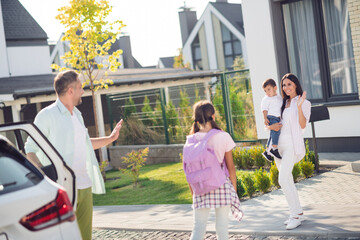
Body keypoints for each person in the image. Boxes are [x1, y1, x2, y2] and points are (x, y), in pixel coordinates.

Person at [24, 70, 123, 240]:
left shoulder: (77, 115)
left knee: (84, 237)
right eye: (80, 87)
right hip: (63, 187)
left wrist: (110, 138)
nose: (83, 90)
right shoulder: (47, 115)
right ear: (71, 90)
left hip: (84, 185)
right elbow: (30, 148)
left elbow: (85, 143)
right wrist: (45, 176)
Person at [185, 100, 243, 240]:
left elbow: (188, 170)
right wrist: (233, 190)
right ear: (214, 116)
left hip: (200, 187)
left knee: (198, 227)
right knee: (222, 227)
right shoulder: (223, 136)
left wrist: (194, 192)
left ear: (196, 119)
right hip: (221, 185)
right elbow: (231, 167)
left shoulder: (191, 139)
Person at [267, 73, 311, 230]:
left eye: (289, 85)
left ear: (296, 85)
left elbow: (303, 124)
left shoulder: (304, 102)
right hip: (279, 146)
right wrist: (269, 127)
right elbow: (272, 123)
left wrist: (299, 106)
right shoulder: (281, 102)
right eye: (284, 85)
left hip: (292, 145)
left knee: (283, 179)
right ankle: (298, 213)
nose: (286, 88)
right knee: (288, 180)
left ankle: (294, 216)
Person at [261, 78, 283, 161]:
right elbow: (264, 109)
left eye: (269, 89)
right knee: (276, 132)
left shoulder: (278, 97)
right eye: (265, 91)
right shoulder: (266, 99)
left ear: (275, 88)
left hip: (277, 117)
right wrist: (265, 118)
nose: (267, 92)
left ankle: (267, 151)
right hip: (271, 117)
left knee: (273, 134)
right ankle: (274, 149)